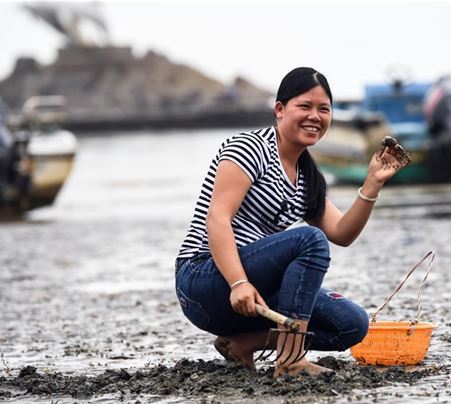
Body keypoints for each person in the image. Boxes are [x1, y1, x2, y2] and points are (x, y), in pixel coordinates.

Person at [175, 67, 409, 377]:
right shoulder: (249, 148)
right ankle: (291, 358)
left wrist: (371, 185)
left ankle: (243, 344)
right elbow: (217, 218)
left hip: (252, 295)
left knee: (352, 323)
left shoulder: (307, 177)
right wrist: (238, 282)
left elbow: (342, 233)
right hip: (205, 282)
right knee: (309, 239)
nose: (315, 116)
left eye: (324, 109)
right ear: (280, 109)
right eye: (305, 106)